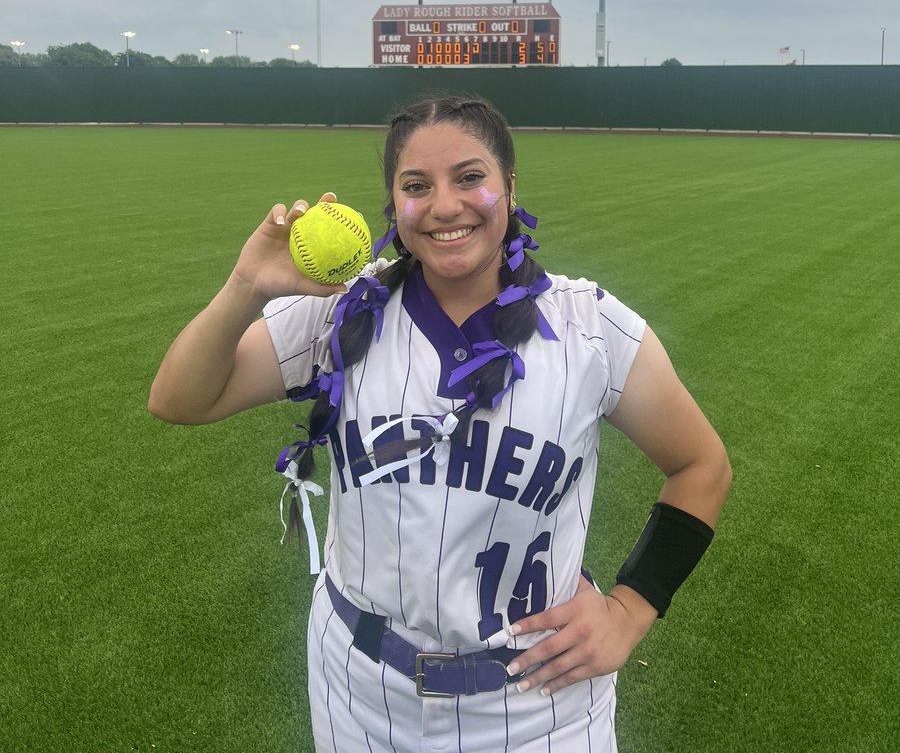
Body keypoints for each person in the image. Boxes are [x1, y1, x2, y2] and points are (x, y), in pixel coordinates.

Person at [149, 94, 731, 753]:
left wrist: (631, 609)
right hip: (356, 692)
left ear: (510, 189)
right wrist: (247, 286)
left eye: (470, 177)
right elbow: (180, 398)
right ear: (394, 205)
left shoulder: (589, 329)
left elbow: (701, 466)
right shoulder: (344, 313)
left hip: (537, 708)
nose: (444, 205)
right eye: (416, 186)